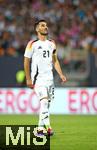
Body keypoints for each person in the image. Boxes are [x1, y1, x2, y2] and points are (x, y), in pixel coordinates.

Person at [24, 19, 66, 136]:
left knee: (46, 105)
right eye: (43, 26)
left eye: (46, 25)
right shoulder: (32, 44)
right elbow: (26, 61)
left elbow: (55, 61)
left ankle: (39, 129)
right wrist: (28, 78)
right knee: (44, 102)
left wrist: (61, 74)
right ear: (37, 29)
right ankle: (48, 128)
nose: (45, 27)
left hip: (50, 80)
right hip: (38, 79)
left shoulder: (52, 43)